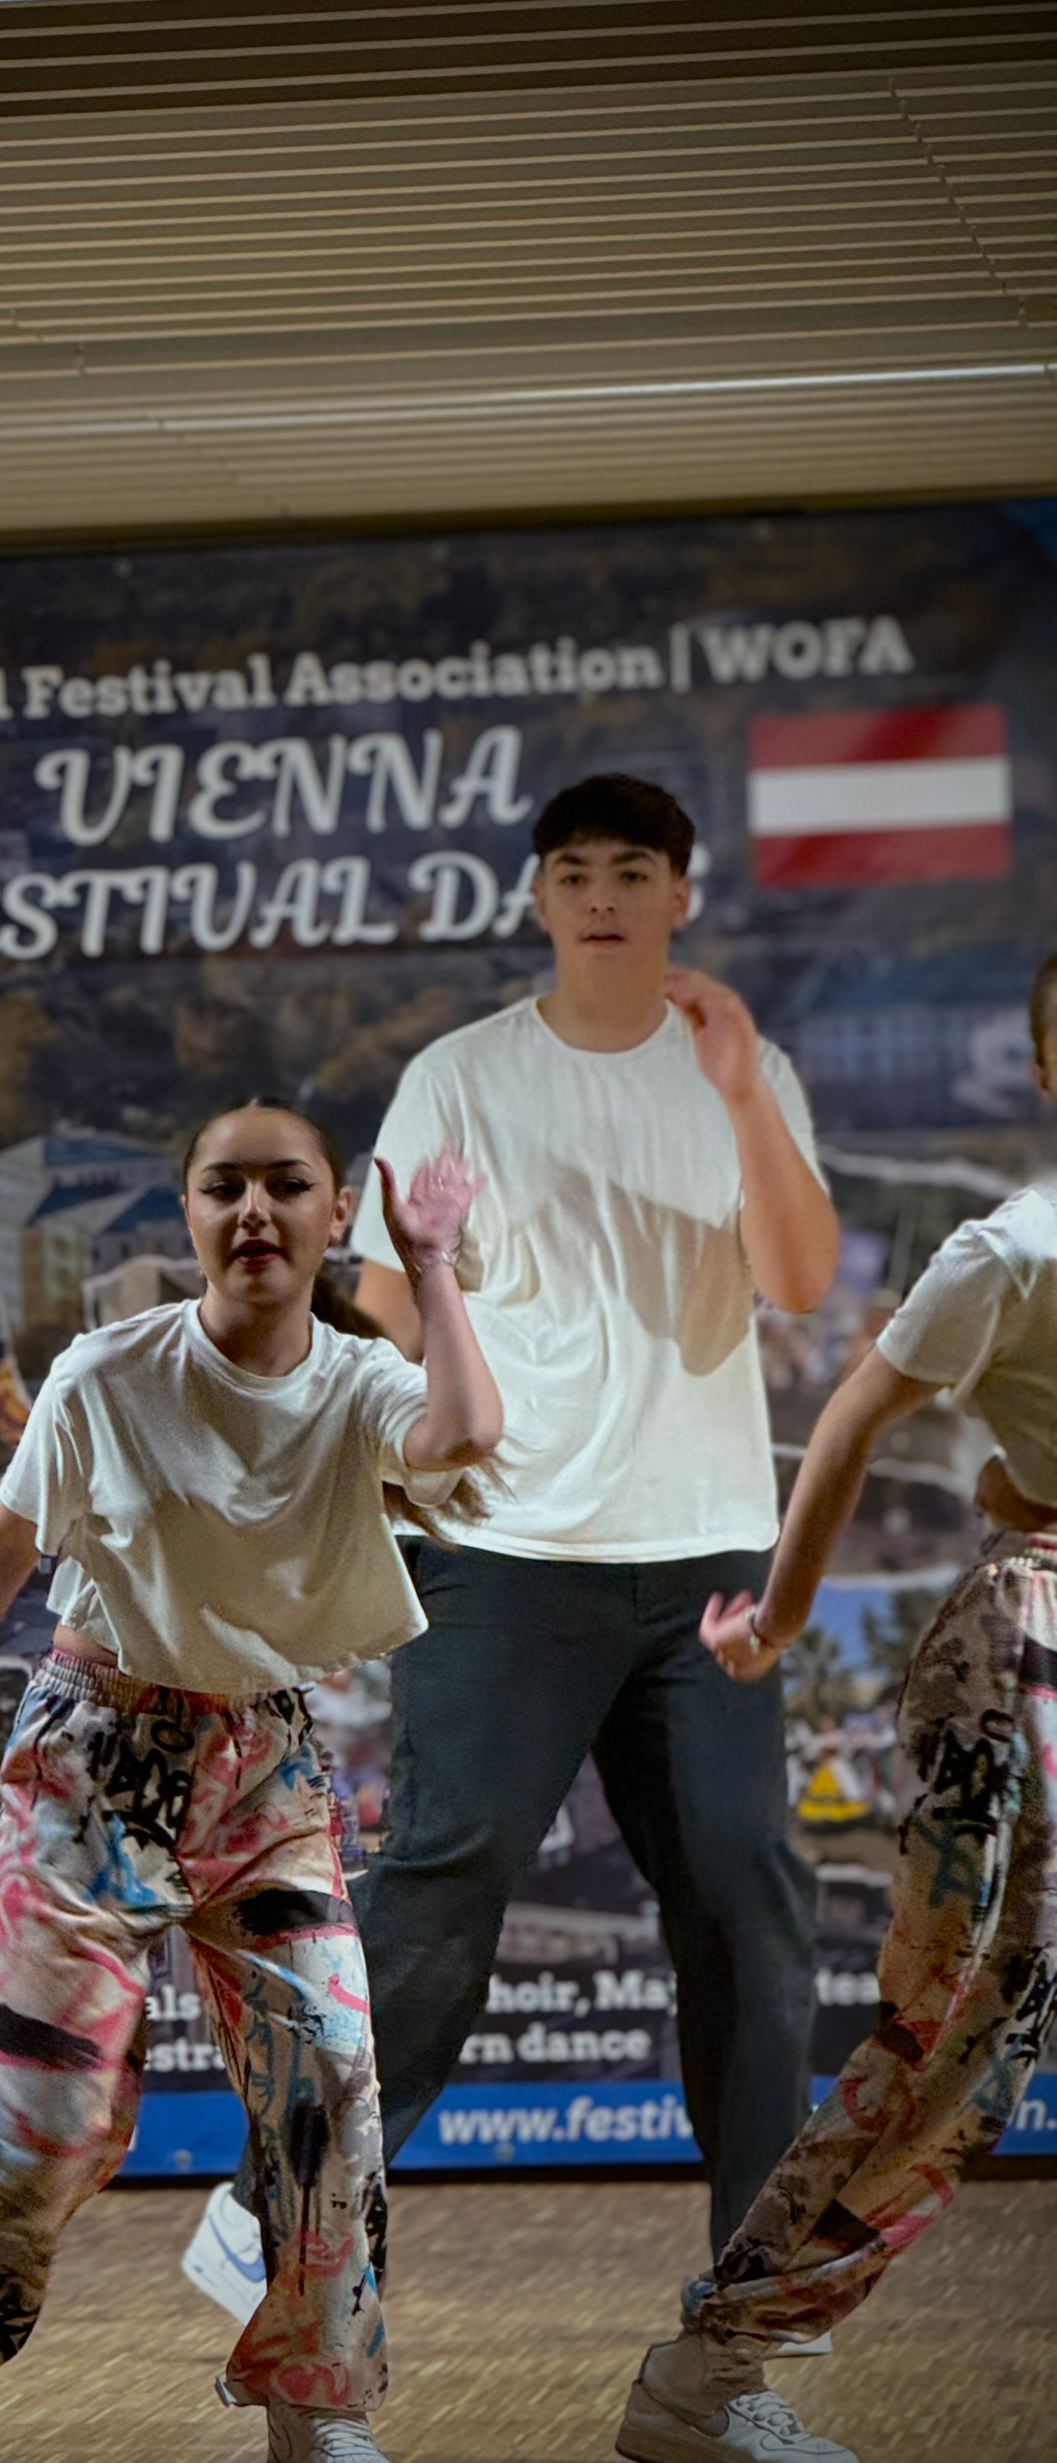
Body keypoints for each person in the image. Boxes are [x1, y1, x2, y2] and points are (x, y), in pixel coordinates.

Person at [186, 774, 840, 2322]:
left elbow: (804, 1283)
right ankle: (279, 2201)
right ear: (540, 898)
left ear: (682, 894)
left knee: (748, 1903)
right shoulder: (462, 1075)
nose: (603, 894)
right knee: (445, 1873)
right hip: (508, 1547)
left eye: (633, 870)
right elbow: (388, 1307)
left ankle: (754, 2283)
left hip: (710, 1560)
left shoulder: (749, 1072)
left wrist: (743, 1094)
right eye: (574, 871)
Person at [0, 1097, 504, 2463]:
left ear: (335, 1213)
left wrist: (434, 1266)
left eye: (288, 1185)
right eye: (225, 1186)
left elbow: (463, 1436)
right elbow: (1, 1543)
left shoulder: (360, 1381)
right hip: (93, 1765)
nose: (256, 1211)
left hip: (265, 1774)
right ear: (188, 1213)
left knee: (331, 2092)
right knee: (50, 2124)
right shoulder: (111, 1371)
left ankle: (315, 2401)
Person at [615, 951, 1057, 2463]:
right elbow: (854, 1418)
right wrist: (784, 1616)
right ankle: (716, 2362)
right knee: (958, 2038)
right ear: (1046, 1069)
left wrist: (1018, 1476)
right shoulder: (1012, 1248)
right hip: (1028, 1656)